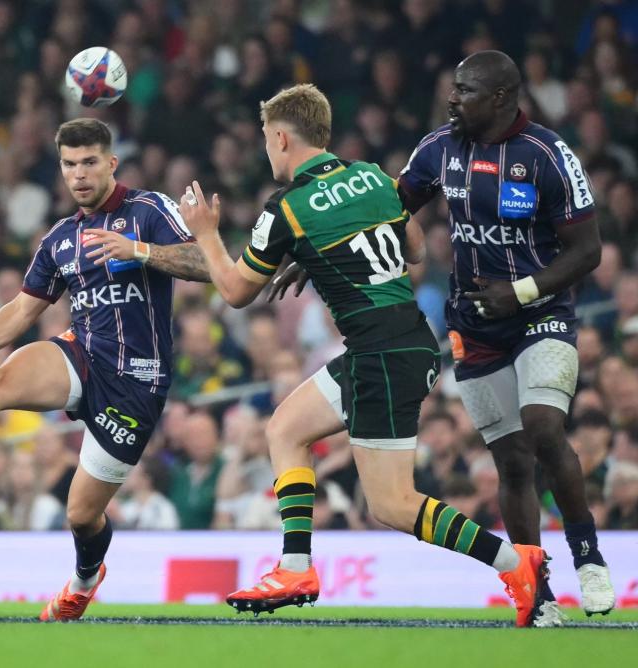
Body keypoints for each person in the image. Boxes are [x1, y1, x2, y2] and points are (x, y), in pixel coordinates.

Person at [178, 83, 549, 627]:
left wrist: (207, 235)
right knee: (285, 429)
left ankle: (517, 564)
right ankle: (296, 566)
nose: (266, 150)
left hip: (382, 356)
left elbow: (235, 292)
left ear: (281, 137)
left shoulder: (288, 208)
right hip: (397, 343)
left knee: (393, 504)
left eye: (265, 140)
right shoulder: (374, 177)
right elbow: (417, 251)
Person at [0, 118, 210, 621]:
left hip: (137, 381)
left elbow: (205, 261)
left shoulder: (148, 209)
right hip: (82, 354)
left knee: (81, 514)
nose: (80, 174)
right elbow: (24, 308)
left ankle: (85, 580)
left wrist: (140, 251)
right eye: (70, 165)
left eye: (90, 162)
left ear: (111, 163)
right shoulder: (61, 238)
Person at [395, 50, 614, 620]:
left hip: (539, 313)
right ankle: (537, 592)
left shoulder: (546, 155)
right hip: (473, 324)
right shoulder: (440, 147)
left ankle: (588, 556)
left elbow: (588, 251)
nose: (451, 99)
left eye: (463, 91)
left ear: (500, 98)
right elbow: (394, 206)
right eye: (452, 88)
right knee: (513, 463)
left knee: (544, 427)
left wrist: (519, 292)